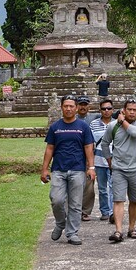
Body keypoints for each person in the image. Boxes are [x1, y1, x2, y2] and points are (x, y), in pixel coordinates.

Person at [40, 94, 96, 246]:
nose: (69, 109)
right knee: (56, 200)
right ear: (61, 108)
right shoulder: (55, 127)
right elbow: (49, 148)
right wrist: (45, 169)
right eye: (66, 106)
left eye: (72, 106)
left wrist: (91, 167)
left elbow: (88, 147)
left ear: (76, 108)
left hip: (77, 169)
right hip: (58, 169)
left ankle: (72, 233)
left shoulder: (83, 127)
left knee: (75, 204)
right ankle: (60, 223)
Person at [103, 98, 136, 243]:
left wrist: (123, 122)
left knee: (135, 200)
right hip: (119, 169)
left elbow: (135, 133)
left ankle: (131, 228)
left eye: (135, 110)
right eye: (129, 109)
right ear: (124, 110)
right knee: (118, 199)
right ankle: (118, 230)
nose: (132, 112)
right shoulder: (112, 126)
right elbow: (105, 143)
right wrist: (109, 160)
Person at [89, 99, 115, 222]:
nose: (106, 111)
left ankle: (112, 212)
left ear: (112, 110)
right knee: (102, 188)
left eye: (109, 108)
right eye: (104, 109)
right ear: (100, 110)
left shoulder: (118, 123)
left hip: (114, 160)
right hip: (99, 160)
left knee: (113, 187)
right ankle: (104, 211)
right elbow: (90, 144)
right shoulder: (93, 124)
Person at [76, 95, 100, 221]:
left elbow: (109, 114)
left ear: (88, 106)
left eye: (85, 104)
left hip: (90, 154)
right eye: (80, 104)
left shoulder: (94, 117)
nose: (83, 107)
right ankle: (74, 209)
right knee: (74, 183)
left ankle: (85, 211)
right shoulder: (72, 118)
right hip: (75, 155)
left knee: (89, 184)